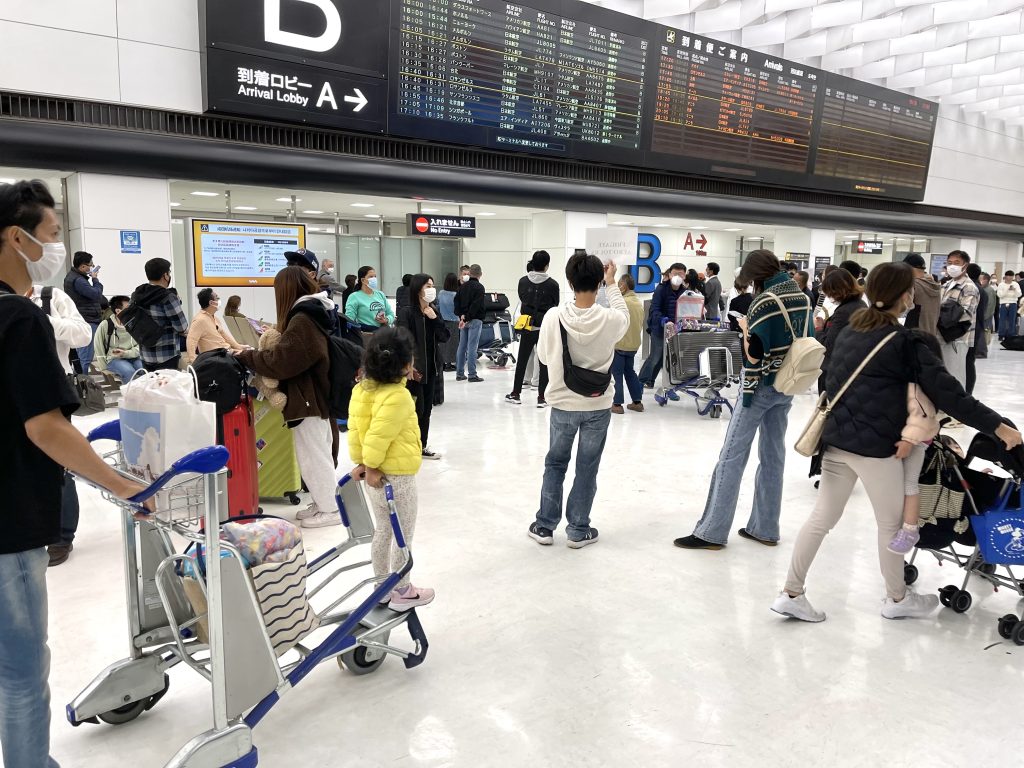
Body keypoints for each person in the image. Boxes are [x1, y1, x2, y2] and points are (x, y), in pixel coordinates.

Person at [771, 262, 1022, 623]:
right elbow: (951, 395)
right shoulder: (906, 342)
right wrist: (999, 427)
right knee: (890, 525)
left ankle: (791, 592)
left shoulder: (850, 331)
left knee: (821, 518)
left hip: (837, 442)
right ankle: (897, 598)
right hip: (876, 450)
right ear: (904, 295)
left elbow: (832, 383)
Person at [0, 178, 147, 768]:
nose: (59, 247)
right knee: (21, 674)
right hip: (8, 522)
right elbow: (47, 429)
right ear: (18, 237)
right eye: (54, 235)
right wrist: (128, 487)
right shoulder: (19, 320)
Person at [674, 250, 810, 550]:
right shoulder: (800, 296)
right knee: (773, 457)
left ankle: (711, 532)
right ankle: (766, 528)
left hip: (758, 389)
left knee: (732, 457)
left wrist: (747, 327)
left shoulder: (765, 301)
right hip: (786, 385)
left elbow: (754, 353)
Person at [528, 254, 629, 549]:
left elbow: (546, 358)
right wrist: (612, 283)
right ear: (598, 282)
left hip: (563, 403)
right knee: (588, 467)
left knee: (555, 463)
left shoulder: (553, 316)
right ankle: (578, 529)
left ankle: (545, 526)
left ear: (569, 282)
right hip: (598, 405)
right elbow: (624, 315)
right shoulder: (610, 319)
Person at [237, 267, 339, 529]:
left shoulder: (302, 319)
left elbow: (282, 362)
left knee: (313, 455)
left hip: (307, 397)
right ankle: (322, 502)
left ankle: (331, 509)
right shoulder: (313, 314)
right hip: (315, 393)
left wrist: (247, 357)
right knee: (317, 452)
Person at [349, 327, 435, 611]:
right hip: (396, 478)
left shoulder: (361, 390)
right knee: (402, 535)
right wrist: (372, 465)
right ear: (406, 365)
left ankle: (381, 587)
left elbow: (357, 431)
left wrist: (362, 463)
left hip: (374, 478)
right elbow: (377, 435)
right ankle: (401, 589)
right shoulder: (398, 397)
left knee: (383, 531)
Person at [28, 274, 92, 568]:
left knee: (58, 462)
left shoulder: (50, 297)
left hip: (52, 388)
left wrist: (42, 319)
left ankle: (61, 536)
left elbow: (83, 335)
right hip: (10, 392)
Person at [397, 273, 450, 460]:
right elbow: (402, 339)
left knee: (426, 411)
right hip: (413, 371)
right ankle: (407, 447)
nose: (431, 289)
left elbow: (445, 337)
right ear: (418, 288)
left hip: (431, 369)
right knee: (413, 412)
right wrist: (407, 364)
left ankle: (421, 446)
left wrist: (435, 318)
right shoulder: (407, 312)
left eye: (432, 285)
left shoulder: (433, 311)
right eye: (428, 285)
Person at [506, 251, 560, 407]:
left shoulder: (523, 281)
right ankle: (542, 397)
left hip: (527, 326)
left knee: (522, 360)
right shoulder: (553, 284)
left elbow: (522, 298)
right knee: (544, 362)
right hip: (544, 328)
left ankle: (516, 393)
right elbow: (555, 304)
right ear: (547, 265)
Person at [131, 257, 188, 372]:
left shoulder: (136, 295)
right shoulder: (168, 297)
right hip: (167, 355)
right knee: (168, 389)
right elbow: (181, 326)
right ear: (165, 275)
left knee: (152, 387)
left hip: (145, 354)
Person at [638, 262, 687, 388]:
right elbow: (655, 309)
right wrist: (663, 320)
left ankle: (650, 381)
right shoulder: (661, 289)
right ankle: (640, 381)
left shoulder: (685, 292)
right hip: (659, 329)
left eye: (681, 274)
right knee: (655, 356)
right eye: (675, 273)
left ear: (685, 276)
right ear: (669, 274)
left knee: (665, 358)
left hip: (675, 330)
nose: (678, 276)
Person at [816, 269, 863, 392]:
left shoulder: (843, 312)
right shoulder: (860, 304)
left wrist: (819, 329)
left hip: (836, 372)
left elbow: (828, 345)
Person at [939, 250, 979, 389]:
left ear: (965, 266)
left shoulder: (968, 287)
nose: (952, 266)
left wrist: (943, 316)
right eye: (949, 263)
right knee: (944, 373)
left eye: (957, 263)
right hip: (943, 335)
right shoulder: (945, 284)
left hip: (958, 338)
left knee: (955, 376)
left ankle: (956, 408)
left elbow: (967, 313)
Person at [62, 250, 107, 372]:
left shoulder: (72, 276)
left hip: (83, 319)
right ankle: (82, 388)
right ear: (82, 266)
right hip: (87, 320)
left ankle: (79, 386)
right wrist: (95, 279)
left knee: (82, 356)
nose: (92, 267)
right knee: (85, 358)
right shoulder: (79, 281)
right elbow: (96, 294)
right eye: (91, 265)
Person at [611, 273, 645, 415]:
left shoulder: (622, 303)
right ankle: (637, 402)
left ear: (623, 286)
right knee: (630, 372)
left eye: (619, 284)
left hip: (620, 344)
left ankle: (617, 404)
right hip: (634, 345)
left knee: (617, 373)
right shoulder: (638, 302)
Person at [185, 288, 246, 362]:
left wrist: (239, 347)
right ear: (211, 303)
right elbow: (191, 340)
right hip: (217, 357)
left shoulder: (214, 318)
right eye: (217, 298)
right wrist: (193, 360)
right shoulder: (200, 320)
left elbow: (225, 336)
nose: (219, 300)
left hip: (225, 352)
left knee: (250, 352)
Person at [93, 295, 144, 383]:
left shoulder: (135, 324)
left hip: (133, 356)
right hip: (114, 359)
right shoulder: (106, 325)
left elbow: (141, 345)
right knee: (129, 372)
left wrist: (126, 353)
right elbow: (98, 345)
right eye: (128, 307)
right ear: (118, 311)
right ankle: (130, 395)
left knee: (145, 369)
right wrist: (103, 367)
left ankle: (147, 394)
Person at [454, 263, 487, 383]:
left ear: (470, 273)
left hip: (463, 320)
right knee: (472, 347)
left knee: (462, 346)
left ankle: (459, 373)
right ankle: (472, 374)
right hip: (475, 319)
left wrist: (461, 317)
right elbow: (476, 305)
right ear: (480, 274)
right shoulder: (480, 288)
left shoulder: (462, 287)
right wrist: (467, 317)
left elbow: (456, 302)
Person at [902, 253, 940, 338]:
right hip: (931, 334)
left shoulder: (912, 285)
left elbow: (904, 309)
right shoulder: (935, 285)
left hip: (915, 335)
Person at [345, 265, 394, 332]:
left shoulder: (380, 294)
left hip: (383, 334)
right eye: (371, 277)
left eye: (375, 276)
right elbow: (349, 319)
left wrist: (386, 319)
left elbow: (391, 314)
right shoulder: (354, 296)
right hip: (367, 335)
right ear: (363, 280)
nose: (374, 279)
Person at [965, 263, 988, 383]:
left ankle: (967, 391)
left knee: (967, 362)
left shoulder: (971, 288)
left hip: (969, 329)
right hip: (977, 327)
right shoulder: (981, 289)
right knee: (969, 361)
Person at [997, 270, 1022, 340]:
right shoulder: (1001, 284)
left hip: (1013, 303)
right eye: (1008, 276)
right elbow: (1000, 295)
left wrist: (1014, 290)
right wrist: (1007, 289)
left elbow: (1019, 294)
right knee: (1002, 319)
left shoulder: (1016, 284)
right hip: (1003, 303)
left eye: (1011, 276)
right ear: (1005, 277)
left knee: (1012, 319)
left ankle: (1011, 334)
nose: (1010, 278)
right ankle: (1001, 334)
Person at [980, 272, 998, 336]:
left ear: (986, 280)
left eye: (980, 279)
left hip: (985, 317)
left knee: (985, 336)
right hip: (982, 316)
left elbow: (990, 306)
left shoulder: (989, 290)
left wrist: (984, 316)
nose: (979, 281)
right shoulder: (983, 289)